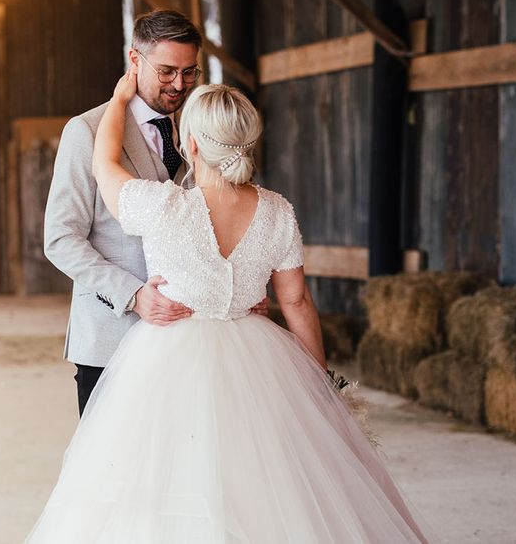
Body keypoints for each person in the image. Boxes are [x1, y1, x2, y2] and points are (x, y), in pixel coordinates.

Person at [26, 73, 436, 542]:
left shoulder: (163, 206)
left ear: (192, 145)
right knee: (267, 484)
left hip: (167, 355)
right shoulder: (278, 210)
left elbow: (103, 165)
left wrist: (120, 99)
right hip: (257, 352)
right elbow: (297, 302)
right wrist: (320, 387)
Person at [43, 9, 266, 417]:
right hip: (112, 341)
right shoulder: (86, 131)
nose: (178, 85)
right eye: (166, 71)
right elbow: (60, 239)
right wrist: (133, 295)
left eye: (188, 72)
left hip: (195, 344)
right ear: (134, 61)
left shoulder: (201, 131)